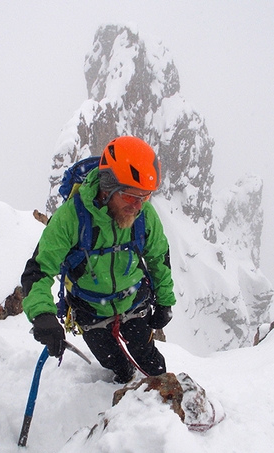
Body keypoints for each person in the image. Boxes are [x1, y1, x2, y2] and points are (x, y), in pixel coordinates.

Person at [21, 136, 176, 383]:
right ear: (108, 186)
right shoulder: (71, 218)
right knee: (114, 363)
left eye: (144, 197)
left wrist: (165, 301)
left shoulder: (144, 216)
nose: (137, 206)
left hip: (134, 302)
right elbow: (38, 271)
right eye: (130, 196)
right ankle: (123, 378)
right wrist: (42, 315)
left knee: (152, 362)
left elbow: (159, 257)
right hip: (91, 311)